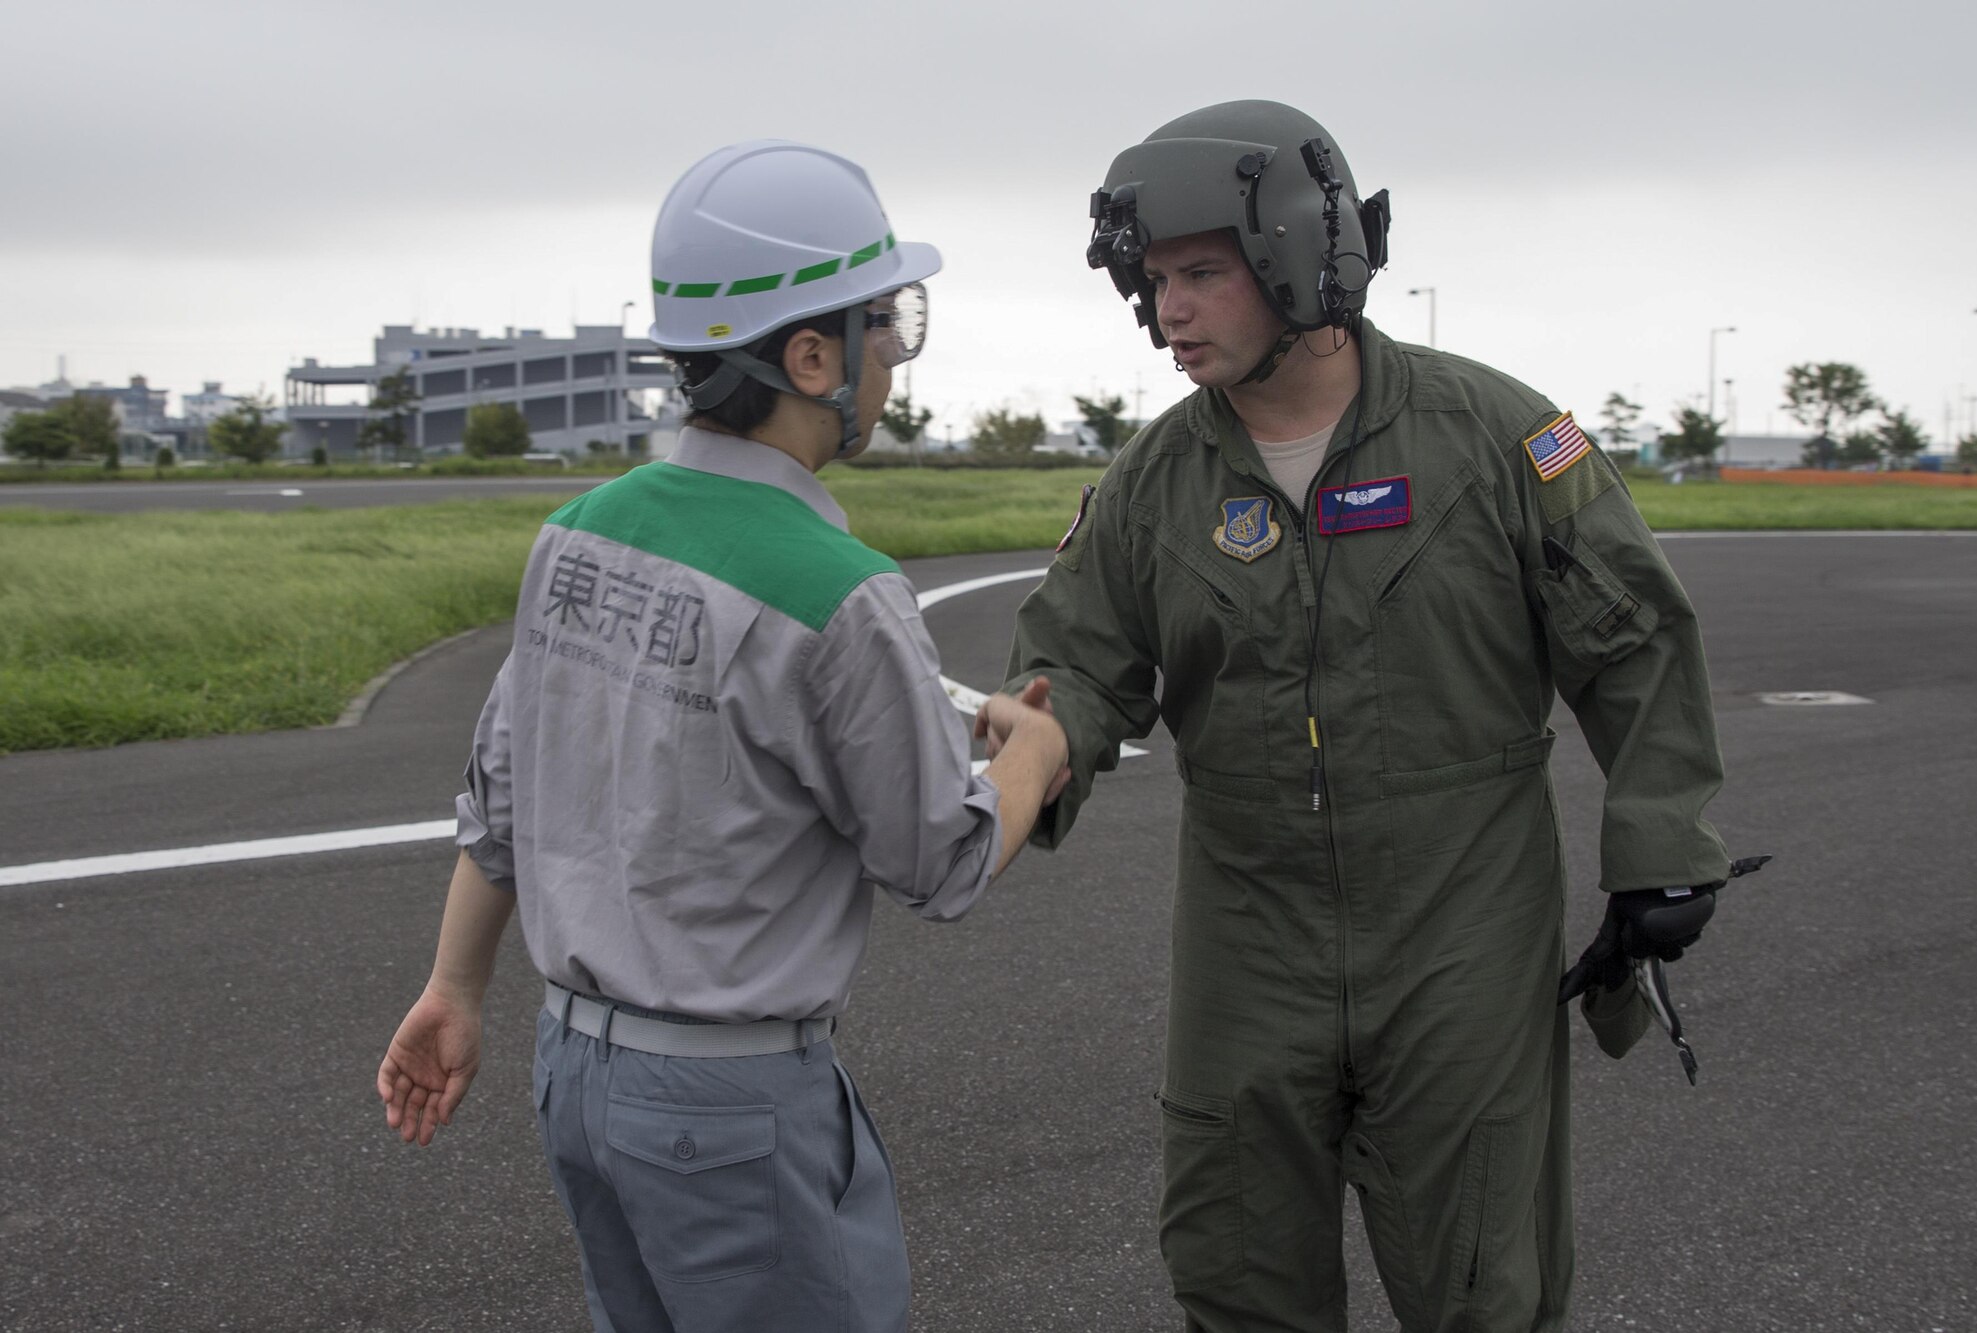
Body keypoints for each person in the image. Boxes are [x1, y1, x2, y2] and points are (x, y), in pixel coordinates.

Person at [977, 101, 1733, 1332]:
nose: (1168, 309)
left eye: (1202, 273)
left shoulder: (1495, 438)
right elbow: (1073, 666)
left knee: (1483, 1283)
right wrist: (1030, 748)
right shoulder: (1150, 485)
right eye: (1155, 279)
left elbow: (1632, 641)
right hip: (1246, 939)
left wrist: (1660, 845)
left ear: (1296, 254)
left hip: (1460, 933)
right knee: (1236, 1272)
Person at [376, 139, 1070, 1333]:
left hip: (574, 1069)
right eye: (883, 322)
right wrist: (1033, 759)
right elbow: (940, 859)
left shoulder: (580, 532)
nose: (893, 353)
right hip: (728, 1103)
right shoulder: (841, 591)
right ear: (811, 356)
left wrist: (452, 985)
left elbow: (500, 803)